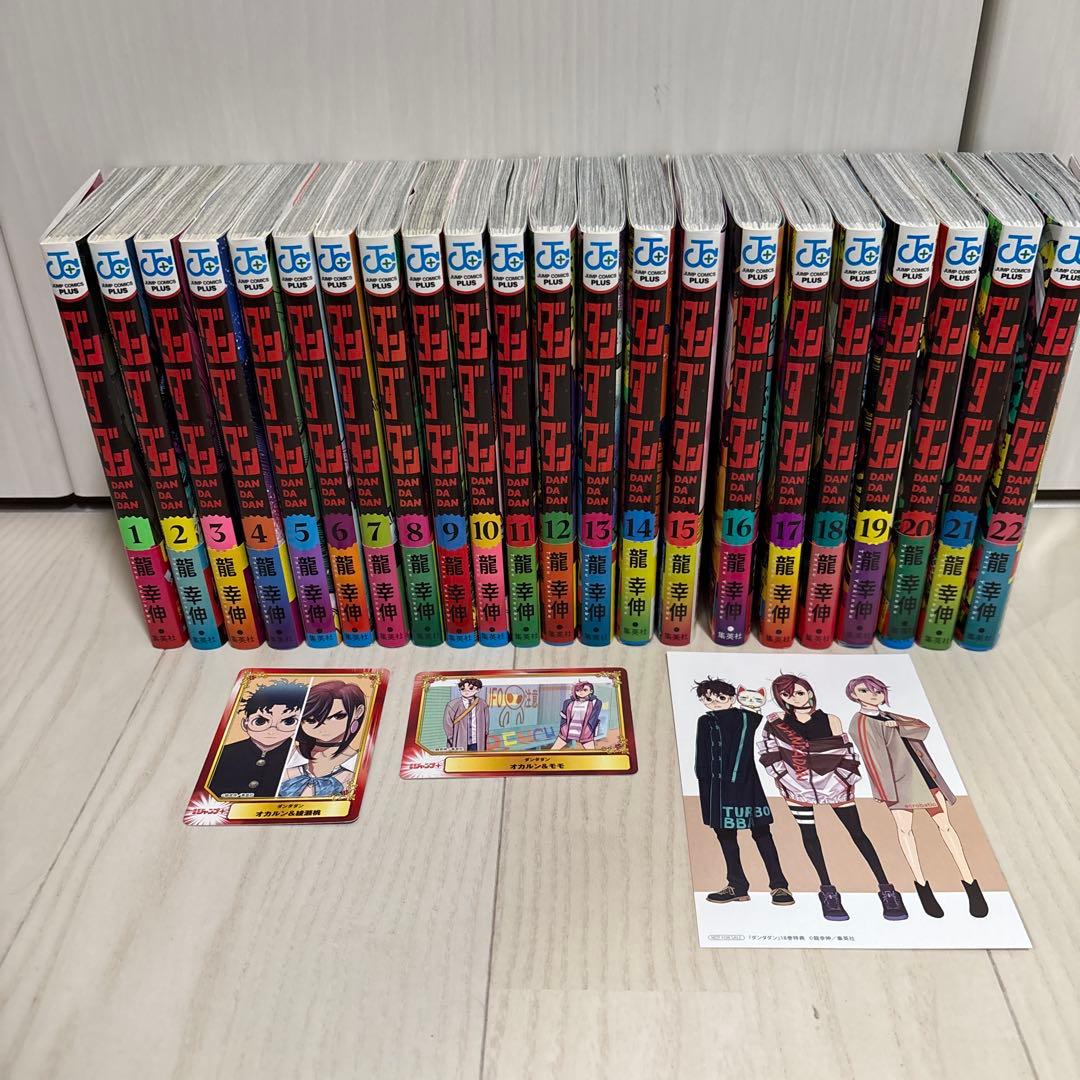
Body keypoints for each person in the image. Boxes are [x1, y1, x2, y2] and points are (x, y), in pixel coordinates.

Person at [758, 674, 908, 922]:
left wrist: (842, 779)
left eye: (799, 692)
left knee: (857, 833)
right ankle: (828, 892)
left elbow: (847, 752)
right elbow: (768, 751)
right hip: (796, 788)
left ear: (809, 692)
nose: (794, 698)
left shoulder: (831, 720)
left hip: (835, 785)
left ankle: (887, 889)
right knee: (809, 835)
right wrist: (784, 777)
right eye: (786, 694)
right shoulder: (776, 722)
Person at [846, 675, 988, 918]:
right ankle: (923, 888)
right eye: (864, 691)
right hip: (898, 785)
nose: (873, 695)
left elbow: (922, 728)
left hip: (926, 777)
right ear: (853, 695)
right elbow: (873, 759)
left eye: (877, 690)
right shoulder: (859, 723)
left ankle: (971, 884)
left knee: (946, 826)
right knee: (905, 831)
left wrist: (898, 726)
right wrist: (884, 792)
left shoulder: (890, 716)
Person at [694, 678, 794, 907]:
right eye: (708, 698)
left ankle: (779, 885)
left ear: (732, 698)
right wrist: (703, 781)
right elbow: (702, 754)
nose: (715, 702)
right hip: (715, 787)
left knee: (761, 832)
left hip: (745, 783)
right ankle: (737, 885)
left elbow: (745, 741)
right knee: (725, 835)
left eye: (721, 697)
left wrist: (733, 778)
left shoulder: (746, 717)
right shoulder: (705, 720)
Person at [208, 680, 306, 799]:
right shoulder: (225, 753)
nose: (272, 730)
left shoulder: (301, 756)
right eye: (260, 721)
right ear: (245, 723)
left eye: (288, 721)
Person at [279, 680, 366, 798]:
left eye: (338, 716)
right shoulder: (289, 754)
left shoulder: (359, 762)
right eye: (311, 720)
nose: (324, 727)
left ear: (358, 712)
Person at [549, 680, 604, 750]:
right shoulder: (568, 702)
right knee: (554, 750)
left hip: (585, 733)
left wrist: (588, 731)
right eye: (578, 690)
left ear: (591, 691)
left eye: (585, 690)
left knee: (591, 752)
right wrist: (563, 729)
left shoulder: (595, 703)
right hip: (567, 732)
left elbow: (593, 719)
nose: (581, 692)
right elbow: (564, 717)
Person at [444, 677, 489, 752]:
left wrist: (483, 736)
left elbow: (486, 723)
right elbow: (447, 724)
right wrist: (453, 739)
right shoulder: (452, 705)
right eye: (463, 689)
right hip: (459, 742)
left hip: (477, 742)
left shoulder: (482, 704)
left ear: (478, 689)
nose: (466, 691)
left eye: (471, 688)